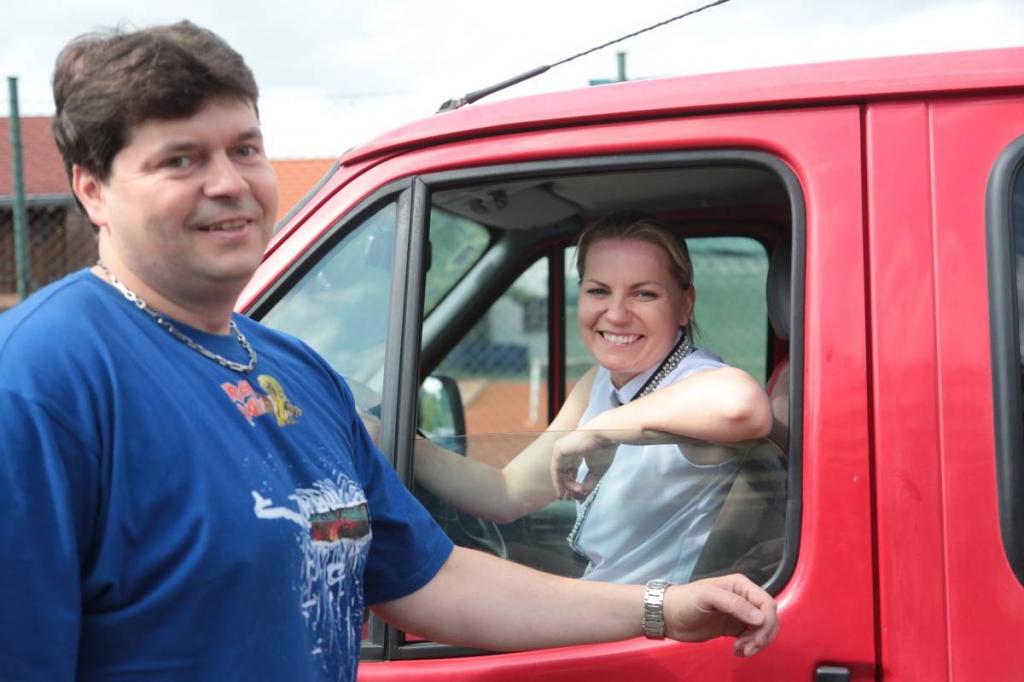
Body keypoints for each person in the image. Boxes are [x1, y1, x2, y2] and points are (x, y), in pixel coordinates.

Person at [0, 22, 779, 681]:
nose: (229, 183)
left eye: (245, 148)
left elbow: (436, 580)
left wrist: (664, 608)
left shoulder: (298, 376)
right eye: (181, 159)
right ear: (92, 189)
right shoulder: (39, 381)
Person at [414, 213, 777, 584]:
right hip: (603, 596)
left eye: (644, 293)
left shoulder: (695, 379)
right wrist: (402, 446)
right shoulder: (600, 380)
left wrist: (602, 429)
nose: (616, 315)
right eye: (598, 291)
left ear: (685, 305)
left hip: (649, 614)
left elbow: (744, 406)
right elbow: (509, 493)